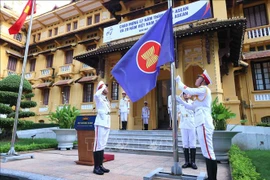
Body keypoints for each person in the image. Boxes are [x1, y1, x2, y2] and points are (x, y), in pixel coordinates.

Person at [175, 70, 217, 180]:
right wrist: (180, 101)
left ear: (203, 80)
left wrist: (179, 82)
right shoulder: (200, 96)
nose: (196, 80)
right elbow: (191, 107)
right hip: (200, 124)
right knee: (206, 151)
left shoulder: (203, 89)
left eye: (198, 78)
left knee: (208, 151)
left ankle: (213, 178)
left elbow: (188, 90)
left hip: (203, 123)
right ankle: (211, 177)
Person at [93, 81, 111, 175]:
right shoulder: (98, 97)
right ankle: (96, 167)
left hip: (106, 123)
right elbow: (96, 94)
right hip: (100, 123)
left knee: (102, 145)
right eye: (105, 88)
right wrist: (102, 86)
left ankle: (100, 165)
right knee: (97, 145)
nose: (107, 89)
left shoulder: (105, 99)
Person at [178, 92, 197, 169]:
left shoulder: (193, 103)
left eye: (187, 94)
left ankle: (193, 162)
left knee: (192, 143)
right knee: (185, 143)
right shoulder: (180, 104)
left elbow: (196, 113)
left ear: (190, 95)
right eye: (184, 94)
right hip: (183, 125)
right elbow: (178, 112)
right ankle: (186, 162)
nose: (185, 95)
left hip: (192, 124)